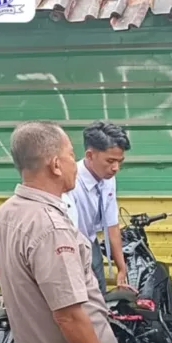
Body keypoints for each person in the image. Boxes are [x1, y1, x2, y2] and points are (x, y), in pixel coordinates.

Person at [0, 120, 129, 343]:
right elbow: (68, 314)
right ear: (55, 165)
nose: (74, 163)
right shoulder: (50, 228)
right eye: (70, 154)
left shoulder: (4, 214)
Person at [63, 121, 132, 294]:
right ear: (90, 155)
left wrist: (121, 268)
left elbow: (112, 224)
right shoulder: (70, 181)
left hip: (90, 240)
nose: (116, 168)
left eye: (120, 161)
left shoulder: (108, 178)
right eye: (110, 161)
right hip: (69, 244)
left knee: (98, 292)